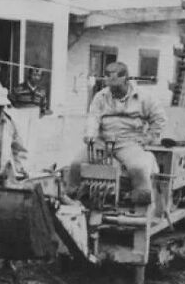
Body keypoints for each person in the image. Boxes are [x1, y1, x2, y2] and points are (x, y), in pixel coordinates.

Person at [67, 61, 166, 205]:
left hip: (128, 142)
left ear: (126, 79)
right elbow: (93, 117)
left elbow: (160, 119)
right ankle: (73, 196)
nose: (113, 90)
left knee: (138, 167)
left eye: (117, 87)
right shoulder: (100, 96)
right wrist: (90, 133)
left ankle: (141, 197)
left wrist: (148, 138)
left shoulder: (145, 97)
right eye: (110, 86)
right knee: (76, 164)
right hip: (102, 141)